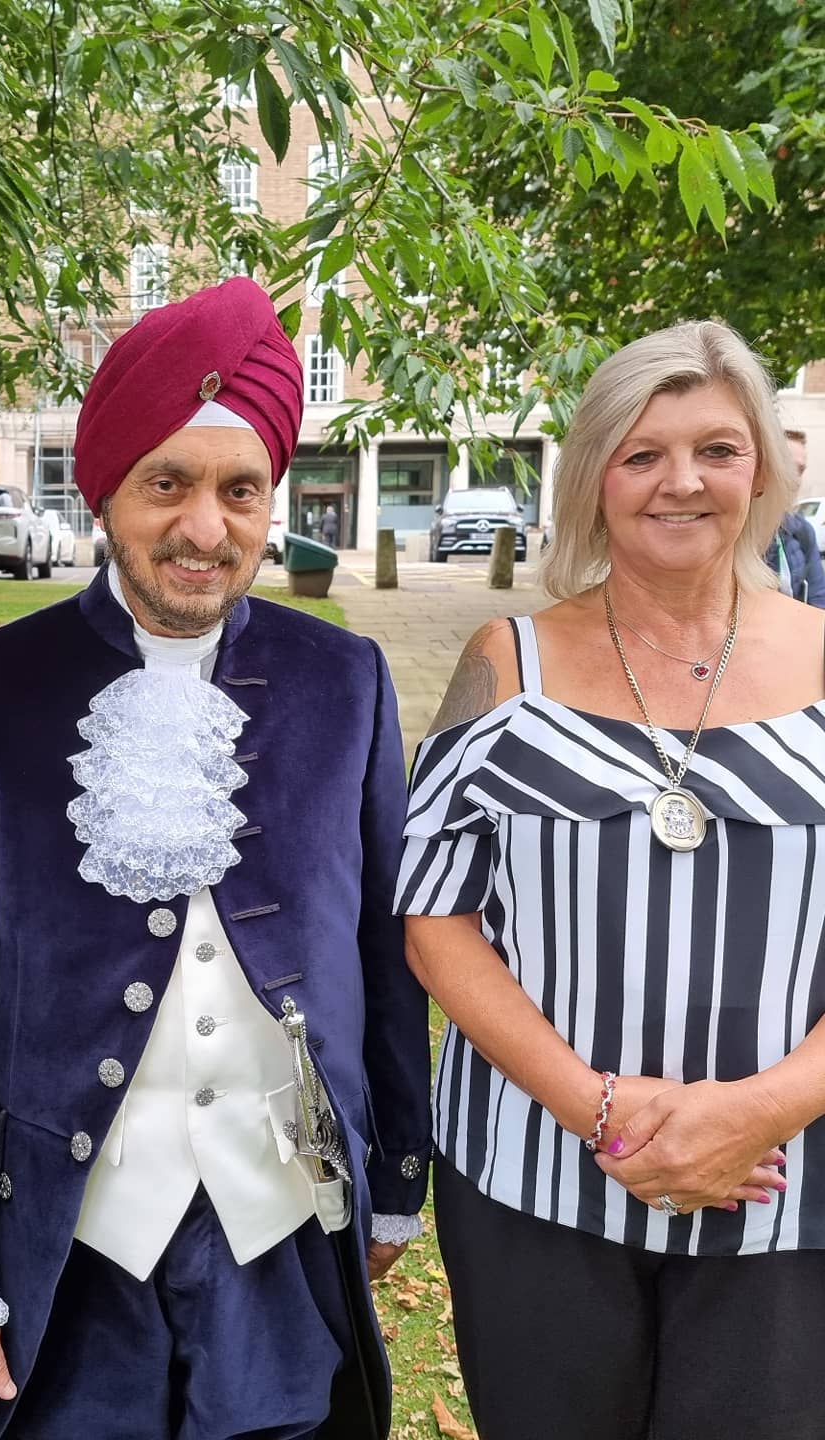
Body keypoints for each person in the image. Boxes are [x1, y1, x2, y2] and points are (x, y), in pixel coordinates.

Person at [0, 277, 432, 1440]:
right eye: (165, 484)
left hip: (284, 1223)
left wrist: (396, 1176)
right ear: (106, 493)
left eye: (241, 490)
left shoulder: (348, 679)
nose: (205, 530)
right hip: (68, 1237)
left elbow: (386, 950)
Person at [396, 319, 825, 1440]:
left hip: (788, 1186)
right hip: (534, 1178)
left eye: (717, 450)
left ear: (762, 471)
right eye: (643, 454)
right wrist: (598, 1110)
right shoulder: (503, 664)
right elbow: (434, 918)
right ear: (594, 479)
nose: (681, 481)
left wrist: (755, 1111)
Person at [764, 427, 825, 606]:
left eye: (800, 470)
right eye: (787, 466)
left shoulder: (802, 531)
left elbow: (819, 598)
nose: (795, 479)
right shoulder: (732, 532)